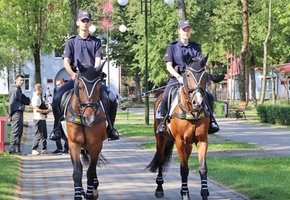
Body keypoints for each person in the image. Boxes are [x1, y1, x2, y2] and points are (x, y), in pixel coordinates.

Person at [50, 10, 119, 142]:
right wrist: (72, 74)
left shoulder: (96, 41)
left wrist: (94, 73)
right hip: (77, 77)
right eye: (83, 21)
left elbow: (98, 60)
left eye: (87, 21)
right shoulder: (71, 42)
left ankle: (111, 129)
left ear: (90, 23)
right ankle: (57, 129)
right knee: (57, 98)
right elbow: (66, 61)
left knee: (111, 98)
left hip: (92, 79)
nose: (85, 23)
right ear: (78, 23)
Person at [156, 20, 219, 134]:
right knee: (166, 96)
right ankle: (163, 122)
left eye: (188, 30)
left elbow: (200, 64)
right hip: (177, 78)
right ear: (179, 31)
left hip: (193, 80)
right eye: (184, 30)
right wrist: (179, 77)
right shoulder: (172, 46)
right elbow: (169, 66)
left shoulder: (196, 47)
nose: (186, 32)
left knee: (209, 96)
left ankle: (211, 122)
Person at [7, 75, 27, 154]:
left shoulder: (19, 89)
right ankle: (12, 149)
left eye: (23, 80)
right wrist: (10, 114)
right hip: (16, 112)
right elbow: (11, 103)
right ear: (15, 80)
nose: (22, 82)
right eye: (20, 80)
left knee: (20, 131)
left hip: (19, 112)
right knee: (15, 131)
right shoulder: (15, 89)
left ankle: (17, 149)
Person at [31, 83, 51, 155]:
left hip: (42, 118)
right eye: (41, 88)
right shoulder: (35, 98)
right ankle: (34, 148)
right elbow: (36, 109)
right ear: (39, 89)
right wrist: (46, 111)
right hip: (38, 118)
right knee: (38, 134)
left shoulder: (38, 97)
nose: (42, 89)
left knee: (44, 134)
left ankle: (44, 148)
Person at [52, 77, 69, 154]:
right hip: (58, 116)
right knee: (56, 129)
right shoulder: (58, 92)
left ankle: (66, 148)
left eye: (59, 85)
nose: (58, 87)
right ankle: (59, 148)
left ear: (63, 83)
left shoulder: (67, 90)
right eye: (57, 85)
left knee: (68, 132)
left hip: (67, 115)